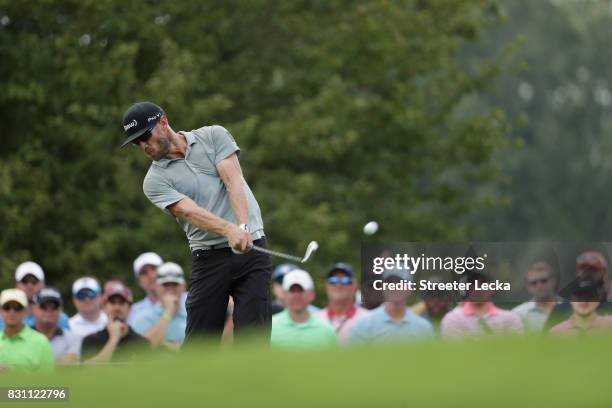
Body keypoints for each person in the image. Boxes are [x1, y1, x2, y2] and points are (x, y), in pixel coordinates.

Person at [121, 102, 273, 344]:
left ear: (163, 122)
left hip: (252, 250)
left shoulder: (213, 136)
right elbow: (189, 211)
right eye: (137, 143)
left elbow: (233, 181)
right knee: (200, 344)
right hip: (209, 259)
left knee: (253, 339)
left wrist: (242, 229)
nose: (143, 146)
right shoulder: (154, 181)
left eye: (145, 137)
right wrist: (229, 230)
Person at [348, 269, 434, 345]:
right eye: (390, 282)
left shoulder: (424, 328)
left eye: (400, 283)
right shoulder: (364, 323)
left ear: (410, 288)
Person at [81, 282, 149, 363]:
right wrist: (114, 339)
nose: (117, 308)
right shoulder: (91, 341)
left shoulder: (142, 344)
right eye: (112, 302)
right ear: (104, 307)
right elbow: (87, 372)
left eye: (122, 302)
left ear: (130, 308)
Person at [441, 272, 523, 338]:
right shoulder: (452, 318)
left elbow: (516, 350)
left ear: (493, 288)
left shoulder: (510, 318)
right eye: (472, 284)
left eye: (483, 284)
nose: (477, 289)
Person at [545, 250, 612, 331]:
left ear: (604, 273)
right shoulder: (561, 310)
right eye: (583, 269)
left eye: (593, 270)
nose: (587, 273)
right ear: (577, 272)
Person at [271, 269, 336, 349]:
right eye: (292, 290)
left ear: (312, 294)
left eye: (301, 290)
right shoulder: (269, 327)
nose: (297, 295)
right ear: (284, 294)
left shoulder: (327, 331)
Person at [131, 262, 187, 350]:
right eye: (165, 285)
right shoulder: (141, 318)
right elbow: (145, 349)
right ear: (156, 287)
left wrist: (164, 344)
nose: (170, 289)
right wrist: (168, 311)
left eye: (175, 284)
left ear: (183, 286)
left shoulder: (193, 315)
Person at [0, 261, 69, 330]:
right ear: (16, 285)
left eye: (34, 281)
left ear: (43, 284)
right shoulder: (3, 318)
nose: (30, 286)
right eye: (24, 281)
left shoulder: (60, 318)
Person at [0, 289, 54, 372]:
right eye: (6, 307)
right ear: (1, 310)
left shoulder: (41, 342)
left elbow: (48, 382)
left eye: (17, 308)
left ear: (25, 311)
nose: (12, 312)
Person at [315, 262, 368, 345]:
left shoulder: (368, 319)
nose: (338, 285)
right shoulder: (314, 319)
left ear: (355, 286)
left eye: (345, 280)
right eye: (333, 281)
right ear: (326, 286)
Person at [32, 288, 81, 365]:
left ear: (61, 309)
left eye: (54, 306)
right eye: (43, 306)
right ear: (34, 308)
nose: (49, 310)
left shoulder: (72, 338)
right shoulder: (21, 338)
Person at [512, 262, 561, 333]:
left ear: (553, 281)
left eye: (544, 281)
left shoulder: (572, 307)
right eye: (533, 283)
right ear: (527, 286)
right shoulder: (519, 314)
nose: (539, 286)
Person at [127, 251, 163, 325]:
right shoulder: (132, 313)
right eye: (144, 272)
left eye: (154, 269)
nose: (151, 276)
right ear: (139, 282)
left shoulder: (189, 300)